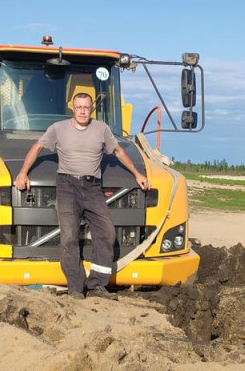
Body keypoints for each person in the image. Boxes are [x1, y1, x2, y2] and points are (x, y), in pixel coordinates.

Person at [15, 92, 150, 300]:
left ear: (91, 109)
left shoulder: (102, 129)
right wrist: (23, 173)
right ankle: (75, 288)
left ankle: (96, 284)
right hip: (67, 186)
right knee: (69, 237)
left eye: (86, 107)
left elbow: (119, 152)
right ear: (73, 108)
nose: (82, 111)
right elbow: (37, 147)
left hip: (92, 187)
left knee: (106, 231)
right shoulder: (58, 129)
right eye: (79, 107)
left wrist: (138, 174)